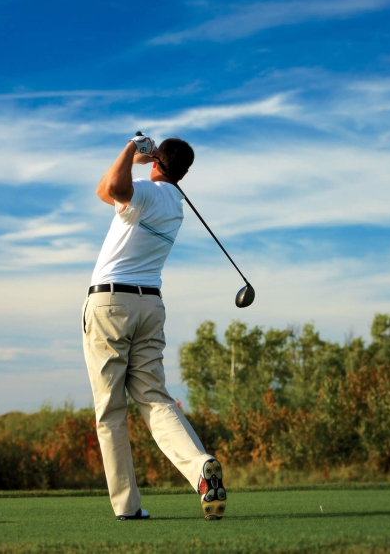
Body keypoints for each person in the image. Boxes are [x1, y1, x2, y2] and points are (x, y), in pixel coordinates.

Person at [82, 133, 227, 521]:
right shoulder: (176, 204)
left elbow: (113, 185)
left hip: (111, 304)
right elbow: (105, 192)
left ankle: (127, 507)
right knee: (155, 399)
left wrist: (132, 148)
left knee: (110, 409)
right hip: (151, 305)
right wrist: (151, 160)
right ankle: (200, 467)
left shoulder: (145, 190)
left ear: (157, 161)